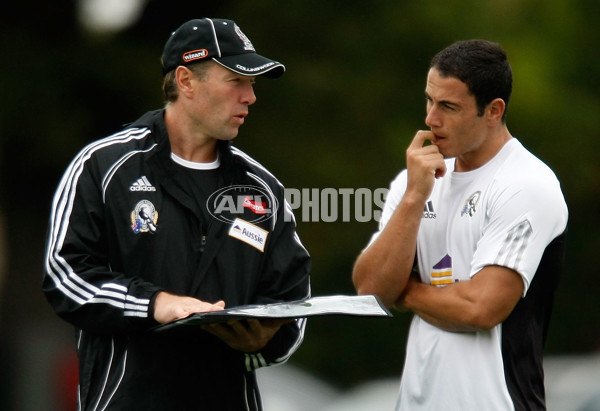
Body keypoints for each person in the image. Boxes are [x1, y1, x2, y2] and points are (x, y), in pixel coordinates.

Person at [43, 17, 311, 410]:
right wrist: (155, 304)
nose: (250, 96)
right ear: (186, 81)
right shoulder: (103, 167)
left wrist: (263, 342)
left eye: (252, 83)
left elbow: (294, 300)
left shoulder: (262, 188)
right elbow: (65, 275)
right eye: (236, 80)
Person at [353, 39, 568, 410]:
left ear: (494, 110)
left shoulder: (528, 184)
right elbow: (370, 290)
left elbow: (480, 309)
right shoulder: (414, 180)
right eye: (429, 100)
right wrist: (413, 199)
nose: (431, 119)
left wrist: (406, 292)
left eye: (449, 107)